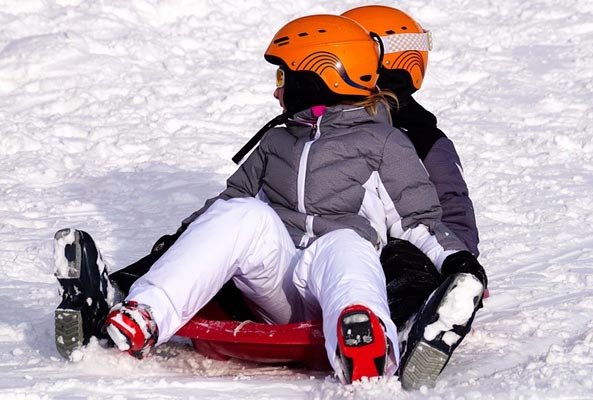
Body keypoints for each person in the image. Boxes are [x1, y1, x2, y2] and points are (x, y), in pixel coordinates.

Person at [53, 14, 483, 385]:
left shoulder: (386, 144)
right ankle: (144, 314)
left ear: (320, 74)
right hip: (274, 284)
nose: (277, 92)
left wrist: (458, 262)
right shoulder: (275, 142)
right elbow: (226, 211)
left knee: (347, 242)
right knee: (242, 213)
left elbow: (420, 221)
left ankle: (364, 339)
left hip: (337, 279)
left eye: (284, 78)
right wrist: (176, 245)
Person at [341, 5, 488, 390]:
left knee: (399, 263)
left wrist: (457, 262)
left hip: (402, 249)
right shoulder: (324, 123)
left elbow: (452, 214)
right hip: (332, 244)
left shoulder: (422, 137)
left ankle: (419, 324)